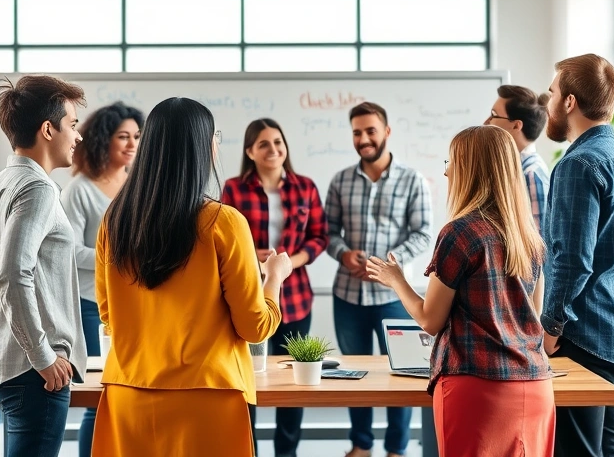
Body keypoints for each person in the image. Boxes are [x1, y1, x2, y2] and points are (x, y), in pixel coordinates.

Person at [91, 97, 293, 457]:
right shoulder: (223, 222)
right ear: (203, 146)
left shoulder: (115, 220)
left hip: (128, 393)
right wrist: (274, 278)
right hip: (207, 399)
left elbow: (108, 316)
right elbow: (254, 327)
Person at [365, 125, 555, 456]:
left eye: (452, 161)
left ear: (470, 168)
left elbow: (430, 320)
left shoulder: (460, 233)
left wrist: (395, 279)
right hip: (536, 385)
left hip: (478, 389)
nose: (446, 170)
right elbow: (532, 319)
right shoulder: (531, 237)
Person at [0, 75, 90, 457]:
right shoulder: (37, 189)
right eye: (72, 125)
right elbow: (9, 272)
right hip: (34, 371)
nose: (78, 136)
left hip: (12, 363)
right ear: (48, 129)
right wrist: (43, 356)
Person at [542, 54, 614, 457]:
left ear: (569, 102)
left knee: (579, 452)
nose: (548, 101)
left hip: (584, 337)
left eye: (552, 92)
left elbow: (571, 261)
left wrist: (551, 328)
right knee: (608, 449)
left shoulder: (578, 164)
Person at [325, 101, 432, 457]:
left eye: (371, 130)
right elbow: (328, 232)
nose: (364, 138)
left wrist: (389, 263)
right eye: (357, 132)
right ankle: (361, 445)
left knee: (403, 375)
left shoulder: (413, 179)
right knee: (354, 373)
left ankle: (397, 449)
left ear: (386, 132)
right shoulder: (340, 180)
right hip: (348, 296)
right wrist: (343, 253)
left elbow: (423, 234)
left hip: (394, 298)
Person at [221, 118, 328, 457]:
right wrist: (253, 258)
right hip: (246, 297)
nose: (273, 149)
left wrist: (287, 264)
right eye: (264, 144)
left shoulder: (305, 187)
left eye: (278, 142)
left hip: (295, 300)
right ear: (250, 151)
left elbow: (320, 236)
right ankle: (246, 448)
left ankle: (287, 451)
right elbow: (223, 240)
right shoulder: (233, 189)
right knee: (246, 379)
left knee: (293, 383)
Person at [60, 101, 145, 457]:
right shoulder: (79, 190)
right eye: (122, 137)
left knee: (128, 393)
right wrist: (116, 259)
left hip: (136, 303)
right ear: (101, 141)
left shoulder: (138, 184)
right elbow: (67, 251)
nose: (132, 144)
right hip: (93, 304)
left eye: (137, 137)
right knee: (100, 396)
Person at [484, 84, 551, 230]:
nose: (487, 121)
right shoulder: (514, 167)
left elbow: (539, 242)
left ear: (516, 126)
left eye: (494, 115)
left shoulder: (532, 173)